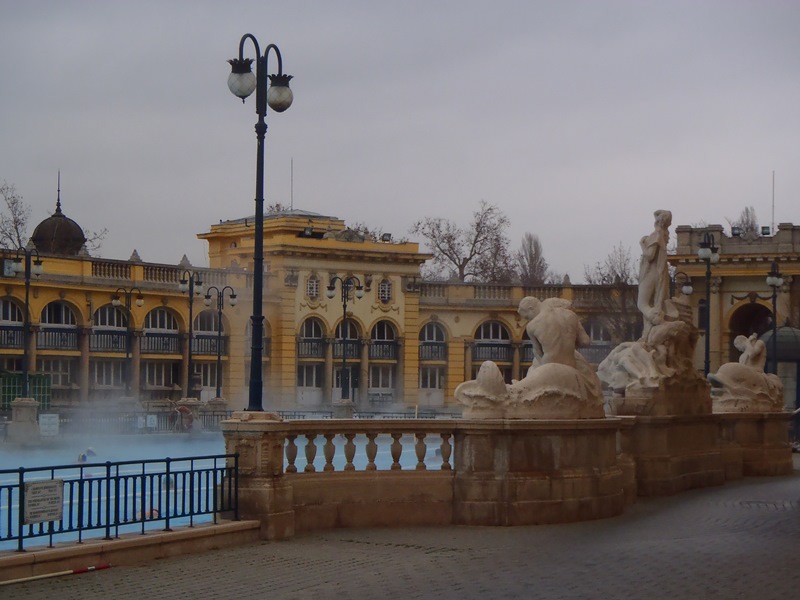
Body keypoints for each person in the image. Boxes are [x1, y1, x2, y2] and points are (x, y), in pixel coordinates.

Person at [637, 210, 672, 339]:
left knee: (642, 304)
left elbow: (650, 256)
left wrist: (642, 244)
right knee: (652, 303)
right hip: (658, 274)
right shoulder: (663, 235)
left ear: (657, 220)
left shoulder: (656, 234)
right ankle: (647, 334)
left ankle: (656, 320)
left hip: (650, 273)